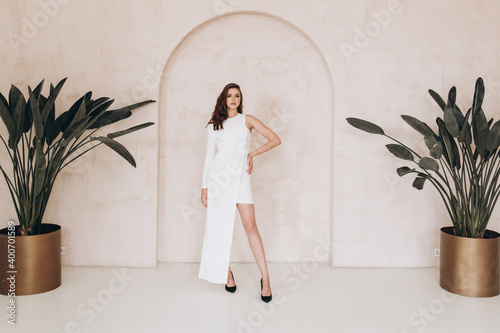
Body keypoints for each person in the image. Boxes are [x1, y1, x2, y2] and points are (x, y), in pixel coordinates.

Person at [198, 83, 281, 302]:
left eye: (237, 96)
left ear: (240, 99)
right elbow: (208, 157)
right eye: (229, 96)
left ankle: (266, 279)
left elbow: (275, 139)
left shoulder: (247, 120)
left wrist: (252, 154)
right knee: (218, 227)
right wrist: (204, 187)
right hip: (218, 179)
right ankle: (226, 274)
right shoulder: (214, 125)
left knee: (250, 226)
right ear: (223, 99)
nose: (233, 99)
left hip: (241, 177)